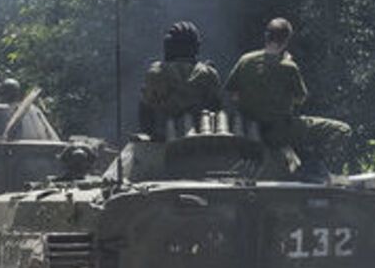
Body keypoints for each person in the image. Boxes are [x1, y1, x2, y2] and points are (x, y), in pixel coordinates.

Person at [223, 18, 350, 175]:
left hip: (248, 127)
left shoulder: (245, 60)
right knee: (341, 129)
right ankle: (312, 168)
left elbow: (232, 93)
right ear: (286, 41)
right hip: (279, 130)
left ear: (266, 36)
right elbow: (299, 99)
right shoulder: (288, 67)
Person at [138, 21, 223, 137]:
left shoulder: (157, 72)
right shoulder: (209, 73)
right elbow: (217, 109)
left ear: (169, 46)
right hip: (203, 139)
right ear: (195, 47)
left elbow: (146, 112)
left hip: (163, 139)